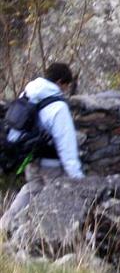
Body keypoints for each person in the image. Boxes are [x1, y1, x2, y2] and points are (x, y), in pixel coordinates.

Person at [0, 63, 83, 235]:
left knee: (31, 189)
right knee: (59, 198)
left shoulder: (28, 93)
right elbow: (66, 146)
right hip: (51, 166)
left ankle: (4, 226)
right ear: (60, 82)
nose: (66, 90)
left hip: (30, 159)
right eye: (67, 85)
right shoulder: (58, 107)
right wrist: (78, 179)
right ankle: (52, 238)